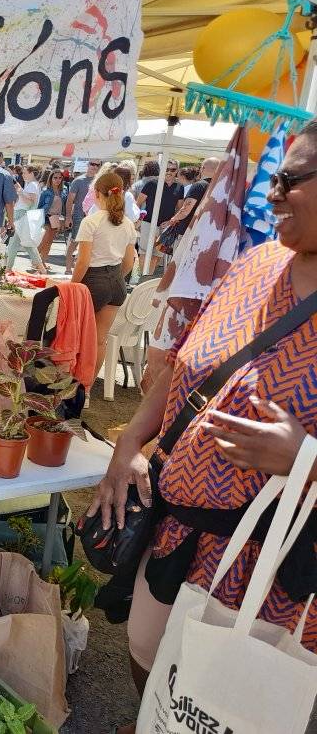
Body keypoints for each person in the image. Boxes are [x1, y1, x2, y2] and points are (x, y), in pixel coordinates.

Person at [87, 122, 317, 734]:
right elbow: (189, 362)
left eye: (291, 181)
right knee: (149, 665)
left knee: (230, 707)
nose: (272, 194)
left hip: (274, 562)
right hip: (180, 528)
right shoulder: (257, 262)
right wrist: (131, 440)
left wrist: (307, 458)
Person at [71, 172, 137, 375]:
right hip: (116, 281)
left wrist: (72, 285)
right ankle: (87, 388)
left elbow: (83, 262)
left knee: (79, 338)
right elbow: (129, 262)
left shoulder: (91, 221)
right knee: (100, 340)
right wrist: (115, 275)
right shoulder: (127, 223)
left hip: (93, 280)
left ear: (97, 193)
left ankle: (75, 385)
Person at [136, 161, 181, 275]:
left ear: (177, 171)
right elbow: (138, 203)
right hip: (148, 223)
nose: (169, 172)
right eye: (167, 169)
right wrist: (138, 220)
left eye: (173, 170)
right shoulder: (152, 183)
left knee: (157, 255)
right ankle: (143, 278)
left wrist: (171, 221)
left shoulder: (179, 187)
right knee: (145, 253)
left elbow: (179, 209)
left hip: (165, 226)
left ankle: (147, 276)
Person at [162, 157, 219, 241]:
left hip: (187, 232)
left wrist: (171, 221)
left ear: (203, 168)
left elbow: (185, 210)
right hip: (207, 233)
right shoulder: (219, 188)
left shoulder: (199, 185)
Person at [5, 165, 46, 273]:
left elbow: (29, 202)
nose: (22, 175)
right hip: (23, 217)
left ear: (31, 173)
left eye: (24, 172)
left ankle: (8, 268)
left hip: (23, 217)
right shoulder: (33, 184)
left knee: (24, 244)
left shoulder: (32, 185)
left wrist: (20, 191)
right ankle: (8, 268)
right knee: (21, 244)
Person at [64, 159, 101, 273]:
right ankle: (68, 268)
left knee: (91, 243)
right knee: (75, 240)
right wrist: (68, 217)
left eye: (97, 164)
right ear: (88, 165)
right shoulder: (79, 181)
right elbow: (70, 200)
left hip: (95, 216)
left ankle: (81, 268)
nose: (94, 166)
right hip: (80, 215)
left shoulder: (100, 181)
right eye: (92, 163)